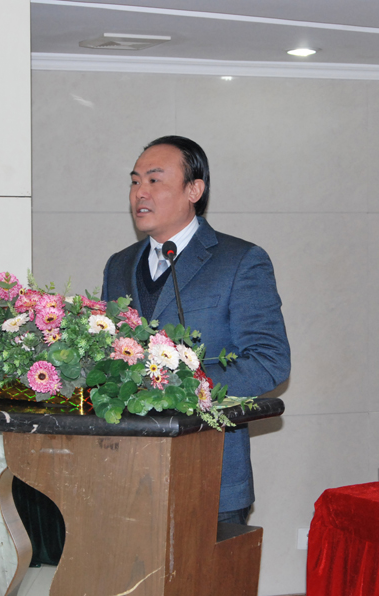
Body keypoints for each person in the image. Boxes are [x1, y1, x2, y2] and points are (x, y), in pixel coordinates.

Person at [101, 136, 290, 523]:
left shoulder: (240, 261)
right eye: (135, 181)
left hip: (211, 474)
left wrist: (186, 387)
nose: (140, 193)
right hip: (128, 475)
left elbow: (269, 361)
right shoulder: (118, 265)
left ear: (194, 190)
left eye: (155, 180)